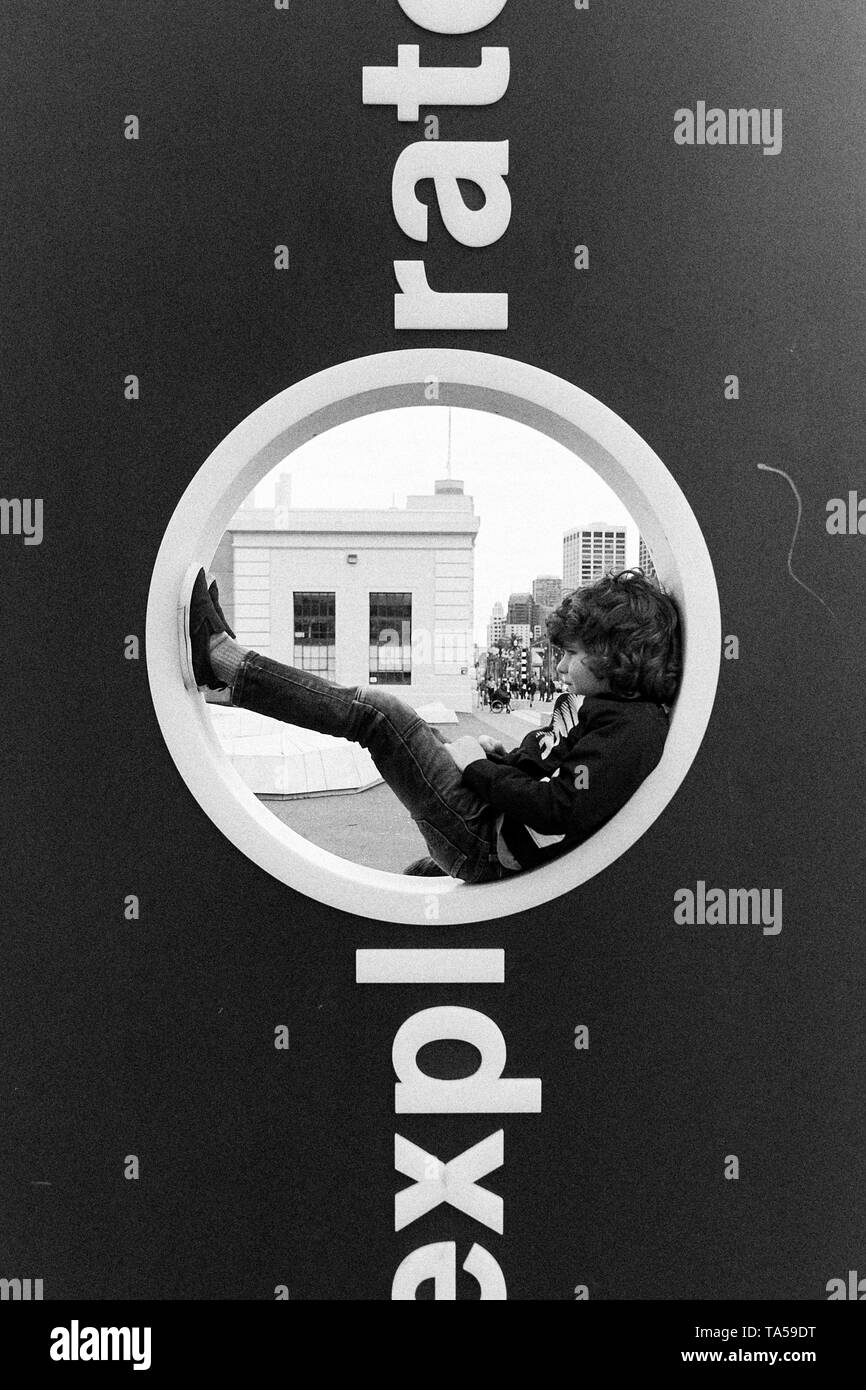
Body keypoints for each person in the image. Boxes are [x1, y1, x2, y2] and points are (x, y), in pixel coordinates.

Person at [185, 567, 681, 883]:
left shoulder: (631, 729)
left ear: (618, 655)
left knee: (380, 716)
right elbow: (560, 778)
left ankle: (228, 668)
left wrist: (479, 770)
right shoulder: (613, 713)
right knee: (411, 726)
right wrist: (500, 758)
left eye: (571, 655)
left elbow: (559, 809)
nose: (560, 669)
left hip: (485, 839)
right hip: (491, 823)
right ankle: (235, 676)